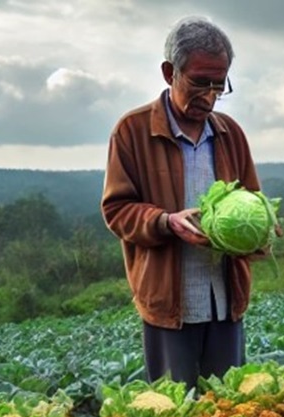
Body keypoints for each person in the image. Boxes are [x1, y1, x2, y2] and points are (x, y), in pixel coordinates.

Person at [101, 15, 265, 389]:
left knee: (227, 410)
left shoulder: (230, 134)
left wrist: (260, 231)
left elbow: (252, 199)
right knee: (173, 415)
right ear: (168, 72)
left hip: (225, 301)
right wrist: (165, 222)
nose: (208, 96)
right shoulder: (133, 131)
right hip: (168, 304)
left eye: (218, 85)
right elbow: (116, 210)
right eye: (198, 82)